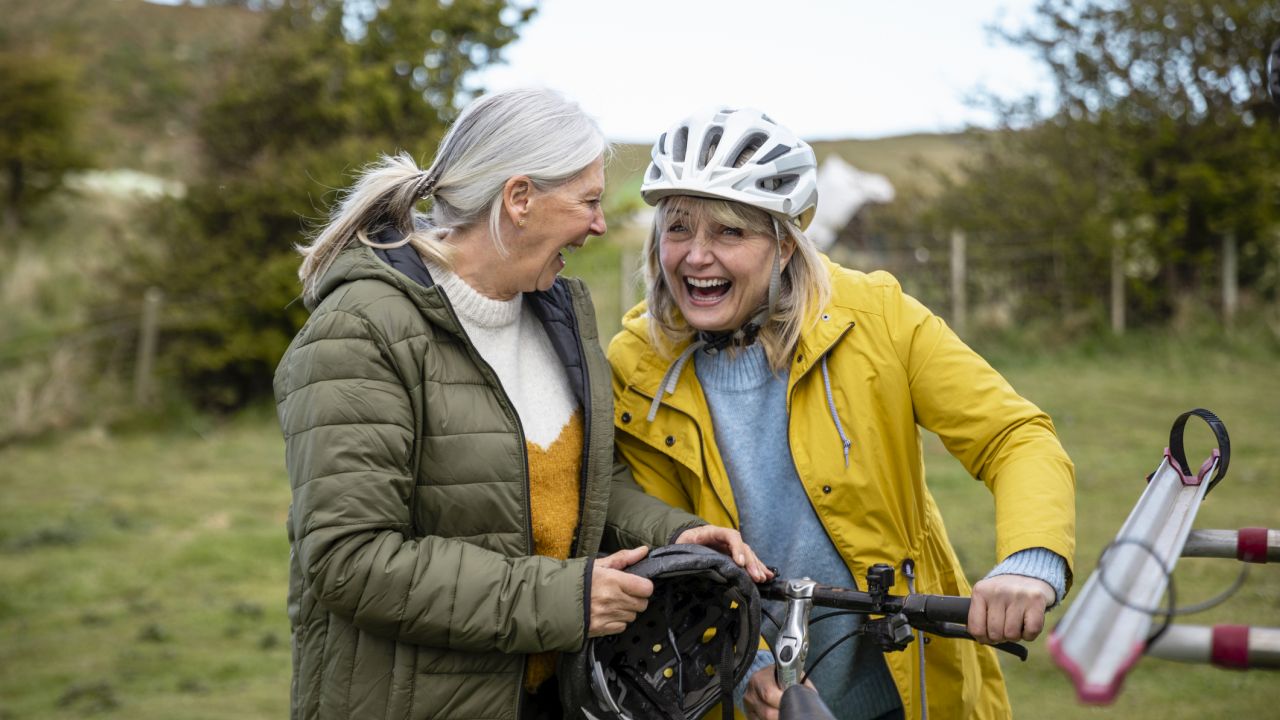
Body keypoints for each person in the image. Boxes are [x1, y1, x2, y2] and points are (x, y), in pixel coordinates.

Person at [273, 89, 770, 720]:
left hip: (547, 696)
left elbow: (583, 485)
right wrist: (567, 599)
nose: (599, 224)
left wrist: (677, 536)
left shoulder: (558, 313)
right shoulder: (362, 331)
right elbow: (349, 560)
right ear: (519, 199)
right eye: (588, 201)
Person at [607, 107, 1076, 720]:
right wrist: (745, 670)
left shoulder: (875, 316)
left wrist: (1031, 561)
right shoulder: (637, 366)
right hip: (743, 693)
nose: (696, 257)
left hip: (904, 686)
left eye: (729, 233)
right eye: (677, 230)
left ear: (783, 244)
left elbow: (1014, 436)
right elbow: (668, 555)